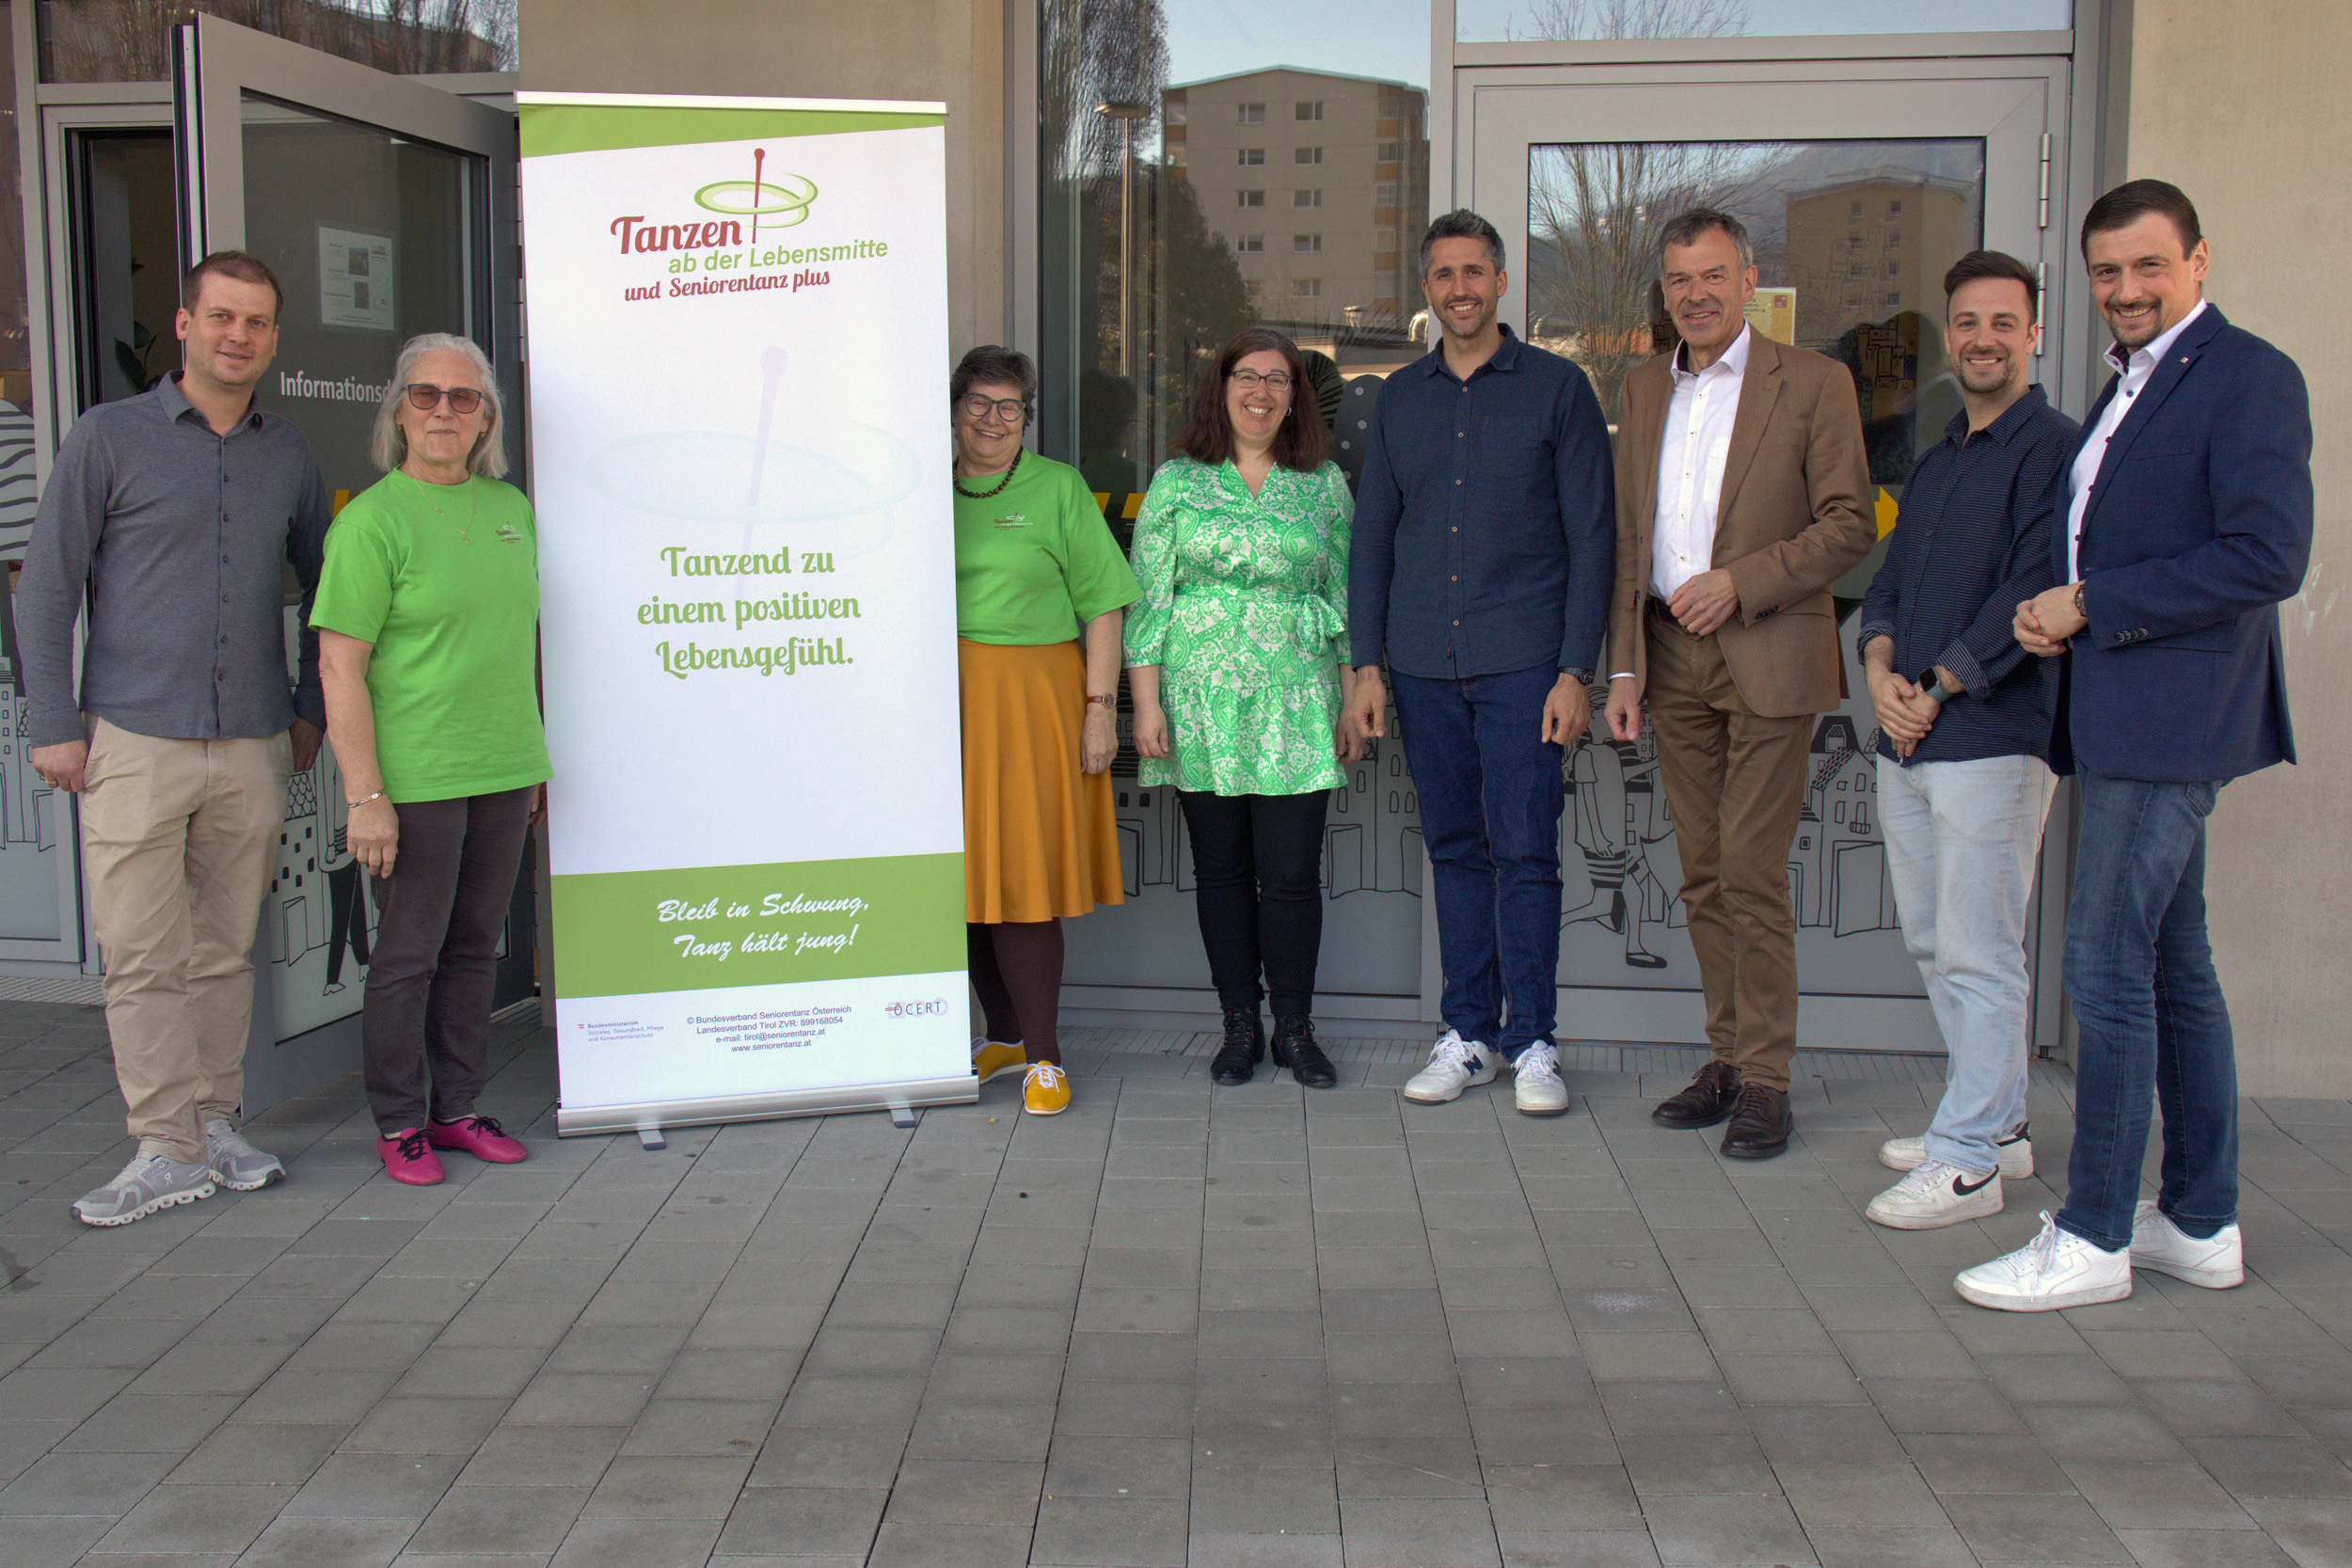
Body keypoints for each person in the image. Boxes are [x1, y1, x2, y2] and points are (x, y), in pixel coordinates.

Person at [1957, 181, 2312, 1310]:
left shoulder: (2246, 376)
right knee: (2171, 963)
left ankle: (2095, 1231)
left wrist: (2091, 602)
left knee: (2105, 965)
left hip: (2174, 722)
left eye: (2148, 265)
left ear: (2198, 261)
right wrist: (2059, 610)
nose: (2125, 288)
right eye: (2106, 271)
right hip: (2123, 709)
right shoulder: (2131, 383)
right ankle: (2199, 1220)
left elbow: (2266, 555)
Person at [18, 251, 326, 1226]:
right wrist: (51, 722)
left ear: (273, 340)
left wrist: (309, 709)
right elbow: (47, 585)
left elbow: (328, 592)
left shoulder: (289, 453)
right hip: (134, 735)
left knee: (222, 951)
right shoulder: (108, 437)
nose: (240, 335)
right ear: (185, 324)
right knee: (143, 952)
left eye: (258, 321)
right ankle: (163, 1144)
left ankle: (214, 1121)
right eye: (222, 316)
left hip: (251, 740)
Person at [1604, 208, 1874, 1160]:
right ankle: (1725, 1058)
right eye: (1680, 280)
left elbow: (1849, 523)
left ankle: (1767, 1078)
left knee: (1751, 871)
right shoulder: (1644, 387)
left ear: (1749, 281)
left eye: (1713, 276)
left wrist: (1741, 581)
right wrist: (1624, 664)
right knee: (1704, 872)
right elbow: (1629, 536)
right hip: (1669, 654)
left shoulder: (1814, 382)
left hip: (1764, 648)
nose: (1697, 295)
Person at [1346, 210, 1615, 1118]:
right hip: (1423, 661)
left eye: (1474, 272)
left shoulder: (1558, 389)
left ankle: (1533, 1039)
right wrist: (1368, 665)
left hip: (1525, 665)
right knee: (1456, 850)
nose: (1459, 288)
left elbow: (1593, 537)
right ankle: (1467, 1033)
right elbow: (1373, 538)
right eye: (1443, 274)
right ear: (1426, 290)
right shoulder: (1401, 398)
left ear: (1501, 282)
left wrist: (1576, 669)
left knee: (1526, 852)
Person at [1854, 250, 2077, 1228]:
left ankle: (1969, 1160)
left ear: (2033, 333)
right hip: (1908, 733)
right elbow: (1891, 582)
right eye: (1968, 323)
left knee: (1981, 950)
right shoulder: (1941, 454)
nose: (1984, 339)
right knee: (1934, 940)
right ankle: (1998, 1121)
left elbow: (2031, 589)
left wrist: (1936, 685)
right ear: (1950, 335)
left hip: (1992, 733)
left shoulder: (2056, 451)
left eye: (2003, 322)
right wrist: (1879, 674)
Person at [312, 333, 548, 1186]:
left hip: (503, 768)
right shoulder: (371, 522)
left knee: (475, 946)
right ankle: (399, 1121)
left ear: (486, 418)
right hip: (414, 779)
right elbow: (338, 667)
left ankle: (455, 1107)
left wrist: (531, 760)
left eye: (463, 397)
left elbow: (518, 639)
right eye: (426, 394)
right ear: (400, 412)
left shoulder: (512, 509)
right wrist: (364, 794)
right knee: (409, 955)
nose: (444, 410)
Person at [1126, 329, 1359, 1089]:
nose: (1261, 392)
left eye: (1278, 379)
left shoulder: (1323, 484)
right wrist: (1145, 704)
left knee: (1291, 873)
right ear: (1220, 387)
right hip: (1199, 698)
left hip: (1298, 696)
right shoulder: (1176, 482)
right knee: (1221, 869)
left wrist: (1355, 692)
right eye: (1247, 377)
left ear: (1295, 397)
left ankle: (1294, 1028)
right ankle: (1238, 1025)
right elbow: (1148, 600)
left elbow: (1347, 595)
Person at [952, 346, 1140, 1117]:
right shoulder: (923, 490)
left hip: (1033, 700)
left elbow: (1105, 604)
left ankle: (1045, 1058)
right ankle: (1001, 1037)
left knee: (1021, 876)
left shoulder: (1059, 487)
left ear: (1027, 417)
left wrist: (1100, 708)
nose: (993, 419)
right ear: (955, 408)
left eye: (1010, 407)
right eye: (979, 402)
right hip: (943, 704)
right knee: (962, 876)